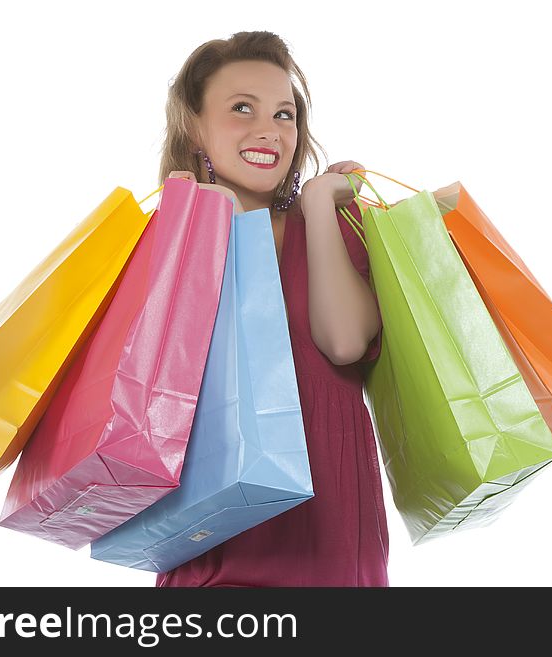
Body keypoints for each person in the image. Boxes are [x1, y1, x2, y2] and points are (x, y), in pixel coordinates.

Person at [156, 30, 388, 587]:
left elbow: (345, 342)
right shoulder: (169, 241)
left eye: (285, 115)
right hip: (217, 549)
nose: (269, 130)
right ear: (194, 128)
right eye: (242, 109)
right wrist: (220, 220)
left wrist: (318, 208)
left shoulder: (332, 227)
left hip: (336, 544)